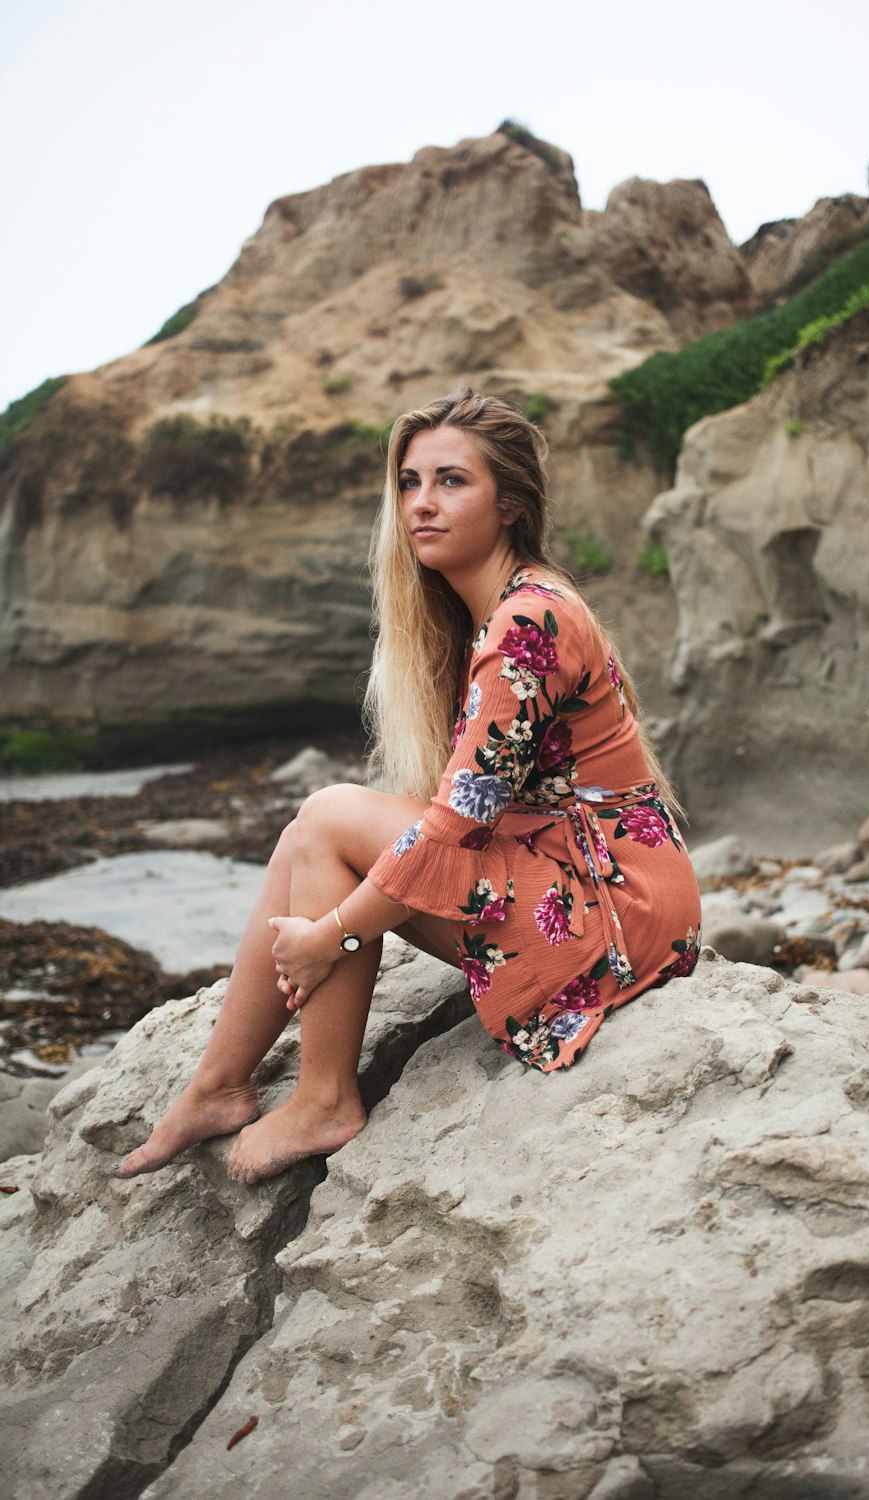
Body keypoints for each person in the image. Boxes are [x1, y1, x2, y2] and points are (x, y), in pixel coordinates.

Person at [111, 387, 701, 1185]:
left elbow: (457, 824)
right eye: (410, 482)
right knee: (307, 837)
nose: (422, 503)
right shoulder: (491, 615)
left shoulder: (529, 622)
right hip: (585, 874)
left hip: (615, 907)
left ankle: (322, 1098)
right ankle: (216, 1087)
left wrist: (332, 937)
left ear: (511, 504)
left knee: (327, 823)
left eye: (452, 481)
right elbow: (466, 816)